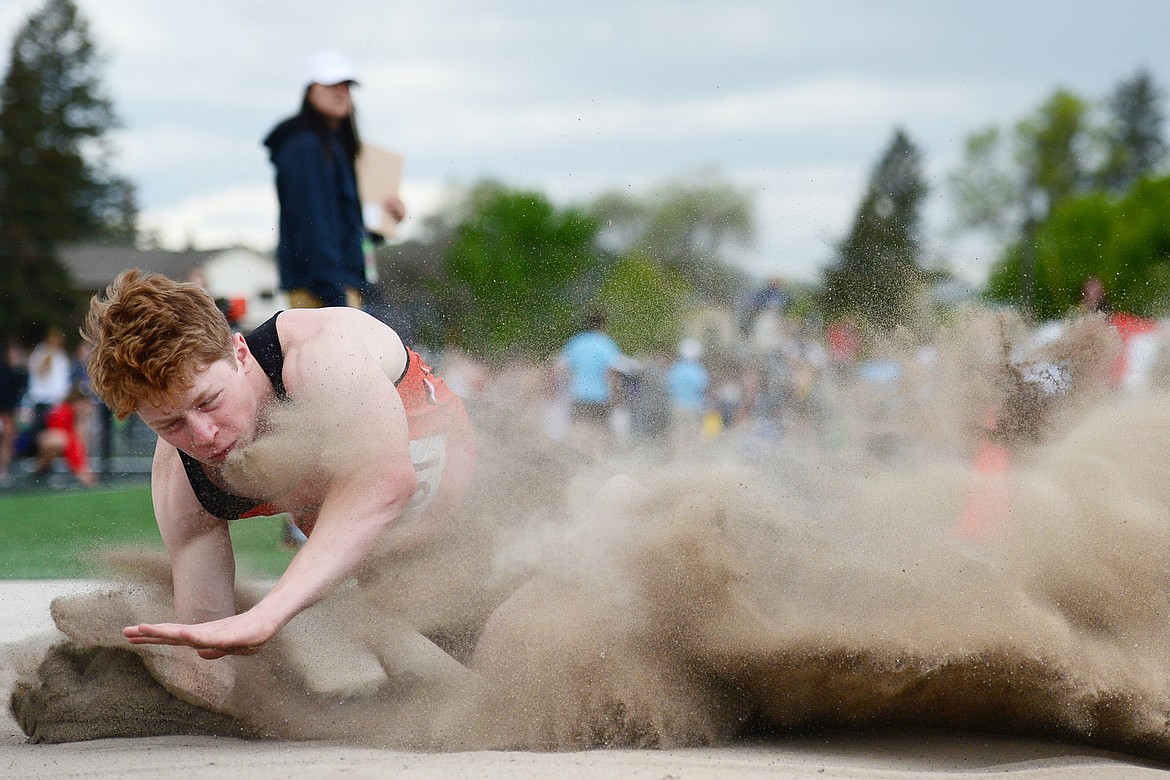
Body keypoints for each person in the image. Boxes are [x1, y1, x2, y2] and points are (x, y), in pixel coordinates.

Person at [81, 269, 474, 660]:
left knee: (514, 636)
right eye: (171, 424)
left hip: (486, 505)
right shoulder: (183, 481)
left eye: (209, 401)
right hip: (391, 565)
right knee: (482, 666)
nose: (202, 436)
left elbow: (385, 483)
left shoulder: (320, 354)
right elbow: (210, 641)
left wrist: (266, 615)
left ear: (240, 353)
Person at [263, 48, 405, 311]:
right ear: (310, 91)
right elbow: (312, 221)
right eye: (330, 84)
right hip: (323, 289)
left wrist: (385, 221)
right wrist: (334, 293)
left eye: (346, 85)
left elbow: (342, 228)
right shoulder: (306, 147)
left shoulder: (335, 148)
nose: (341, 91)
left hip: (340, 283)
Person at [556, 311, 627, 459]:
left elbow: (564, 369)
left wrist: (565, 392)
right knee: (600, 432)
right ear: (603, 325)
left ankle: (578, 464)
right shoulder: (606, 344)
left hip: (578, 395)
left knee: (579, 431)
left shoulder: (575, 342)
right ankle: (597, 466)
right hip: (600, 396)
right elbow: (611, 372)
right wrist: (616, 395)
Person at [32, 383, 97, 487]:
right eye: (82, 401)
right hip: (33, 444)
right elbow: (69, 443)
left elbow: (79, 445)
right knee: (59, 439)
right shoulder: (62, 412)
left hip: (53, 443)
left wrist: (84, 467)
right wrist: (79, 470)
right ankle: (38, 471)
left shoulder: (77, 418)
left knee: (62, 439)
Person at [665, 338, 709, 453]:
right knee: (692, 433)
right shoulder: (699, 370)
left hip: (677, 406)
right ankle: (691, 458)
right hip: (693, 407)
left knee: (678, 432)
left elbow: (669, 387)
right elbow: (702, 389)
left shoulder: (675, 369)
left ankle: (678, 457)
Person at [0, 341, 29, 483]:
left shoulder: (19, 373)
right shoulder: (4, 371)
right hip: (4, 413)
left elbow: (21, 396)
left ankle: (3, 469)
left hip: (9, 414)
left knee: (9, 437)